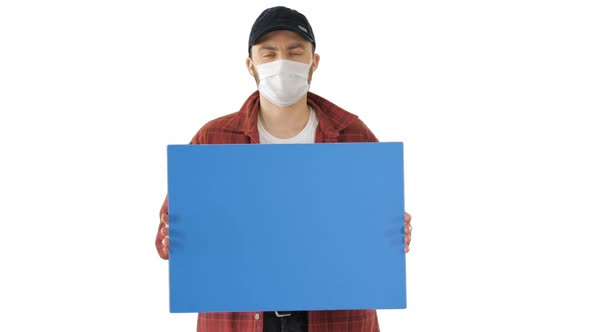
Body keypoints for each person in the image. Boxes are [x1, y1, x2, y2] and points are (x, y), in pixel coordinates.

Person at [155, 6, 413, 332]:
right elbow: (169, 229)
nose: (282, 61)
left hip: (334, 317)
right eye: (269, 53)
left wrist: (393, 233)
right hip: (241, 317)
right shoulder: (212, 139)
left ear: (313, 62)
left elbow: (375, 229)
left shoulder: (353, 135)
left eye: (295, 51)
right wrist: (171, 239)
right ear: (251, 65)